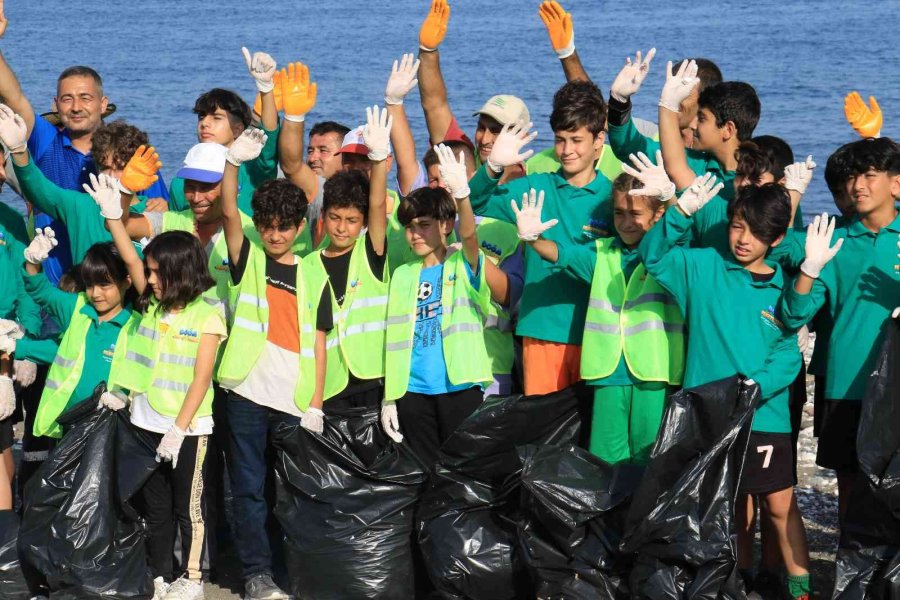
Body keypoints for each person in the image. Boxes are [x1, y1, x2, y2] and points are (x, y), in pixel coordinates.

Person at [633, 162, 809, 600]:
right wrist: (678, 211)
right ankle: (732, 579)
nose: (742, 239)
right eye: (736, 226)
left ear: (777, 240)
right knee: (717, 505)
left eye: (753, 232)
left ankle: (801, 586)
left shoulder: (785, 287)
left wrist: (757, 385)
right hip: (704, 414)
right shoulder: (703, 267)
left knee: (778, 504)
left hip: (763, 415)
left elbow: (789, 352)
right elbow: (652, 256)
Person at [94, 170, 226, 600]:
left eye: (155, 273)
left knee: (189, 510)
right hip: (145, 422)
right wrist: (115, 218)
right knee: (155, 508)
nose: (147, 280)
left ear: (178, 271)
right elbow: (130, 260)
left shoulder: (208, 314)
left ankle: (191, 579)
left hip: (186, 430)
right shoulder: (152, 306)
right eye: (148, 272)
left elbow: (201, 377)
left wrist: (179, 429)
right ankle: (161, 574)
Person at [517, 168, 683, 463]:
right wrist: (533, 240)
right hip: (608, 372)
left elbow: (682, 234)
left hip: (654, 372)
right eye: (619, 213)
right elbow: (562, 253)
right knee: (606, 458)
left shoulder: (671, 256)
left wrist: (670, 201)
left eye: (636, 214)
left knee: (650, 455)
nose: (626, 222)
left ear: (657, 216)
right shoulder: (601, 253)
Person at [214, 128, 316, 600]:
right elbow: (229, 209)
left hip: (295, 399)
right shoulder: (246, 257)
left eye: (284, 226)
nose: (275, 234)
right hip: (246, 395)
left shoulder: (314, 271)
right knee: (249, 490)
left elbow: (321, 340)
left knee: (294, 494)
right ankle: (257, 574)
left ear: (299, 227)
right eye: (268, 224)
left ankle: (294, 570)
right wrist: (232, 163)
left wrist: (315, 402)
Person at [780, 137, 900, 529]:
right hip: (844, 381)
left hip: (895, 386)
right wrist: (809, 268)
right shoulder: (832, 239)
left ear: (895, 183)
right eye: (851, 178)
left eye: (870, 175)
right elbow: (796, 313)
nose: (858, 186)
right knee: (849, 482)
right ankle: (852, 570)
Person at [0, 4, 167, 283]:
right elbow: (14, 98)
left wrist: (161, 206)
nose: (76, 107)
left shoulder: (130, 154)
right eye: (67, 99)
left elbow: (158, 212)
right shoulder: (44, 141)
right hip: (55, 286)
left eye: (85, 98)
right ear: (56, 104)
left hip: (118, 288)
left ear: (103, 104)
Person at [468, 80, 612, 395]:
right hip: (542, 330)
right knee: (545, 432)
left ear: (599, 139)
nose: (567, 150)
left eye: (577, 140)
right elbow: (476, 201)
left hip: (599, 333)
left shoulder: (613, 197)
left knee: (589, 432)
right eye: (560, 140)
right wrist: (493, 167)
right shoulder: (536, 188)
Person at [380, 145, 501, 466]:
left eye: (424, 225)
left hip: (459, 389)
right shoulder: (403, 275)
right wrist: (391, 396)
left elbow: (471, 236)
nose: (415, 234)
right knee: (422, 473)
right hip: (413, 393)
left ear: (446, 225)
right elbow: (394, 343)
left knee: (463, 473)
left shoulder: (463, 262)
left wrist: (462, 194)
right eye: (409, 227)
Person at [302, 106, 390, 422]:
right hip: (331, 384)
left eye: (352, 220)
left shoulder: (371, 250)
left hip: (375, 378)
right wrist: (314, 401)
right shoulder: (309, 265)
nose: (342, 228)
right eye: (336, 218)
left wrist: (379, 161)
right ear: (323, 217)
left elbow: (378, 203)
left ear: (363, 222)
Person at [0, 105, 162, 264]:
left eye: (121, 168)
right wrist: (19, 149)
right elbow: (38, 187)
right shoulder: (80, 206)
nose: (112, 177)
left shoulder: (153, 214)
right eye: (105, 168)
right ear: (97, 168)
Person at [19, 232, 135, 439]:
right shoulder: (77, 307)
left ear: (127, 281)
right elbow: (41, 292)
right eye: (89, 285)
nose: (96, 294)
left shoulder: (136, 324)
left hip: (111, 429)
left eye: (105, 284)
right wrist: (32, 263)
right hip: (69, 422)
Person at [416, 0, 530, 182]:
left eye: (495, 131)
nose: (484, 139)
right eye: (481, 128)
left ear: (521, 137)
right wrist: (428, 50)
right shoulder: (462, 156)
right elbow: (434, 105)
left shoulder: (526, 180)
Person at [168, 48, 280, 215]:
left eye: (216, 118)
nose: (205, 123)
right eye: (201, 117)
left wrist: (265, 88)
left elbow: (269, 136)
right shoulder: (181, 182)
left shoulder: (253, 170)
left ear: (238, 128)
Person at [658, 63, 760, 201]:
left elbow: (676, 168)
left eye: (701, 118)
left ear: (728, 130)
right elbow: (638, 146)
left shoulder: (760, 182)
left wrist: (667, 105)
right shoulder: (695, 160)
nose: (693, 125)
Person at [606, 49, 723, 156]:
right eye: (669, 88)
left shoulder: (711, 160)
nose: (671, 96)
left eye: (681, 90)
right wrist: (619, 100)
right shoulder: (660, 148)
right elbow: (626, 147)